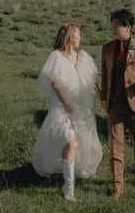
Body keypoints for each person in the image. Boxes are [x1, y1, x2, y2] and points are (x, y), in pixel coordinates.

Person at [31, 23, 102, 201]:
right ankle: (68, 186)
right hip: (63, 108)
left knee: (80, 143)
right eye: (78, 35)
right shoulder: (56, 57)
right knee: (69, 141)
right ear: (70, 37)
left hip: (83, 108)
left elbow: (92, 81)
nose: (81, 39)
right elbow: (54, 83)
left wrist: (101, 97)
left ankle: (71, 171)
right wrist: (66, 103)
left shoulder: (83, 57)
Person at [99, 9, 135, 198]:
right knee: (115, 144)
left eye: (117, 25)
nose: (113, 29)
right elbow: (104, 75)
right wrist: (103, 98)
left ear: (128, 27)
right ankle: (118, 186)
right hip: (114, 105)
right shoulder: (107, 48)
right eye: (112, 25)